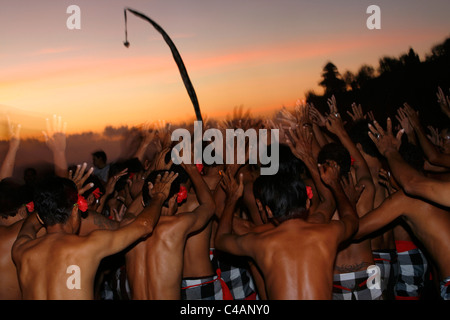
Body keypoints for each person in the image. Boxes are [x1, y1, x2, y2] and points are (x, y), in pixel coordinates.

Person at [215, 125, 359, 299]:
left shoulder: (260, 242)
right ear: (307, 202)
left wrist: (232, 196)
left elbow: (221, 239)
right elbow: (348, 217)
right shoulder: (326, 232)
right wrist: (332, 181)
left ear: (268, 210)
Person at [11, 171, 177, 300]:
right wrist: (159, 197)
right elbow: (144, 226)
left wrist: (53, 202)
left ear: (41, 216)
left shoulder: (21, 250)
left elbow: (31, 224)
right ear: (75, 211)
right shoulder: (88, 246)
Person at [122, 162, 216, 300]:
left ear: (143, 200)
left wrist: (152, 186)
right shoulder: (177, 226)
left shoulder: (127, 226)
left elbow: (132, 210)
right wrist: (192, 170)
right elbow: (209, 205)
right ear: (174, 199)